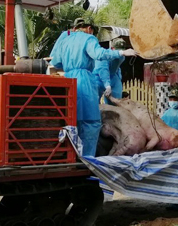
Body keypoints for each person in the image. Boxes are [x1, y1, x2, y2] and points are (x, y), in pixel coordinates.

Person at [50, 18, 136, 156]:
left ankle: (70, 156)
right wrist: (121, 53)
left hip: (67, 81)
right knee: (91, 122)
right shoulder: (88, 38)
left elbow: (56, 62)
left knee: (71, 120)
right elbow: (99, 55)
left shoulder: (65, 40)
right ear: (89, 28)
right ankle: (87, 159)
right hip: (83, 81)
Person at [93, 38, 127, 105]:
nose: (120, 52)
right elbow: (103, 70)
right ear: (112, 48)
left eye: (122, 50)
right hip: (98, 77)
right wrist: (107, 85)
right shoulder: (105, 55)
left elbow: (117, 67)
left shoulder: (122, 56)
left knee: (116, 102)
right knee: (94, 101)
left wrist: (119, 77)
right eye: (118, 50)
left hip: (113, 77)